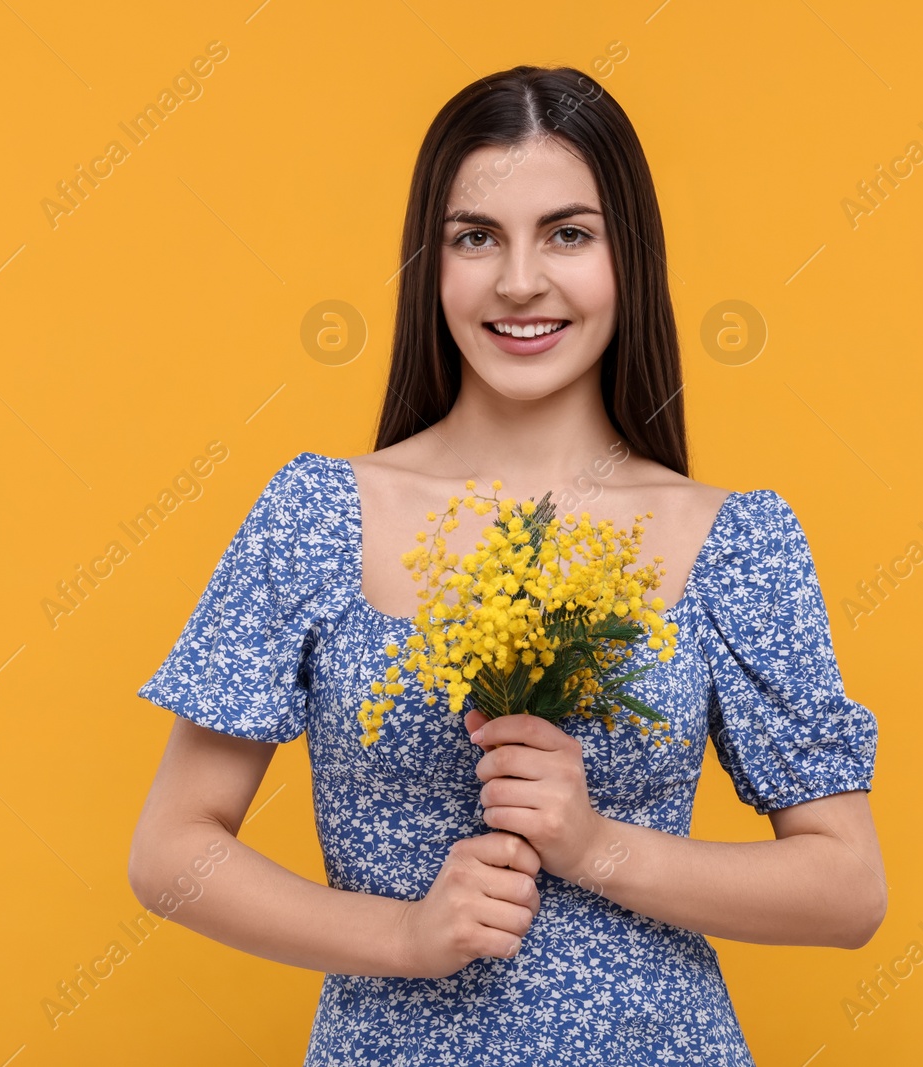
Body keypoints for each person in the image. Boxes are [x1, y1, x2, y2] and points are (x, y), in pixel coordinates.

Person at [127, 64, 884, 1064]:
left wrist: (594, 845)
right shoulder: (317, 513)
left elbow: (846, 888)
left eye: (567, 233)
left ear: (629, 260)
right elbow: (173, 850)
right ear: (430, 264)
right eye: (475, 237)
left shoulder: (736, 542)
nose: (518, 280)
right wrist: (401, 934)